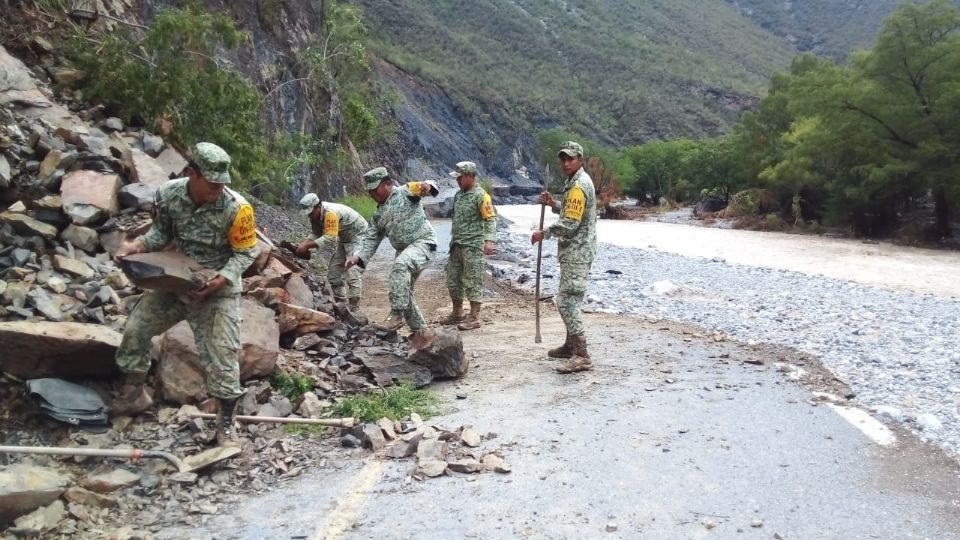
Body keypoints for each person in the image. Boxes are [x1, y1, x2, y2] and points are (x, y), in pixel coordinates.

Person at [112, 142, 256, 447]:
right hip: (176, 281)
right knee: (136, 330)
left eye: (222, 183)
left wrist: (220, 281)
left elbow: (245, 254)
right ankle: (134, 393)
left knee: (223, 355)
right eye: (211, 182)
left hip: (219, 289)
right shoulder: (168, 195)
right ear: (192, 173)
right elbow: (160, 234)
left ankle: (226, 425)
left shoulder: (237, 208)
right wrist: (135, 247)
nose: (218, 188)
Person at [345, 167, 439, 349]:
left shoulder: (406, 191)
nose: (372, 193)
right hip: (404, 250)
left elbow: (429, 186)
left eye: (375, 189)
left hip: (423, 243)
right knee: (403, 289)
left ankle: (396, 315)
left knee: (400, 266)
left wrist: (428, 186)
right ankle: (422, 332)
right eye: (370, 191)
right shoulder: (377, 216)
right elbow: (369, 241)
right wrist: (358, 257)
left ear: (388, 184)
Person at [531, 141, 597, 373]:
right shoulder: (576, 182)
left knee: (567, 301)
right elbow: (571, 210)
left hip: (577, 251)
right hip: (575, 251)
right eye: (563, 159)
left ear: (580, 159)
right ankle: (571, 346)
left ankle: (582, 355)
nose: (566, 163)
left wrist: (544, 233)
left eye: (570, 158)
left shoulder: (579, 185)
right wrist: (554, 204)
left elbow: (570, 223)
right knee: (571, 299)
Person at [440, 161, 497, 331]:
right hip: (457, 244)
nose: (457, 181)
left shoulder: (481, 196)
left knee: (473, 281)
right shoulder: (459, 195)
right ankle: (457, 312)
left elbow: (490, 219)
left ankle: (474, 316)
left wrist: (489, 241)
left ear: (469, 176)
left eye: (459, 177)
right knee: (453, 279)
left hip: (473, 245)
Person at [295, 193, 368, 308]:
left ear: (318, 206)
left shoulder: (330, 213)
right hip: (344, 239)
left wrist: (307, 246)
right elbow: (316, 233)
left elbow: (330, 238)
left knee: (352, 271)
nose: (309, 216)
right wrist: (303, 244)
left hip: (359, 236)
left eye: (310, 213)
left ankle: (354, 308)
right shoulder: (315, 216)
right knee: (334, 274)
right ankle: (341, 305)